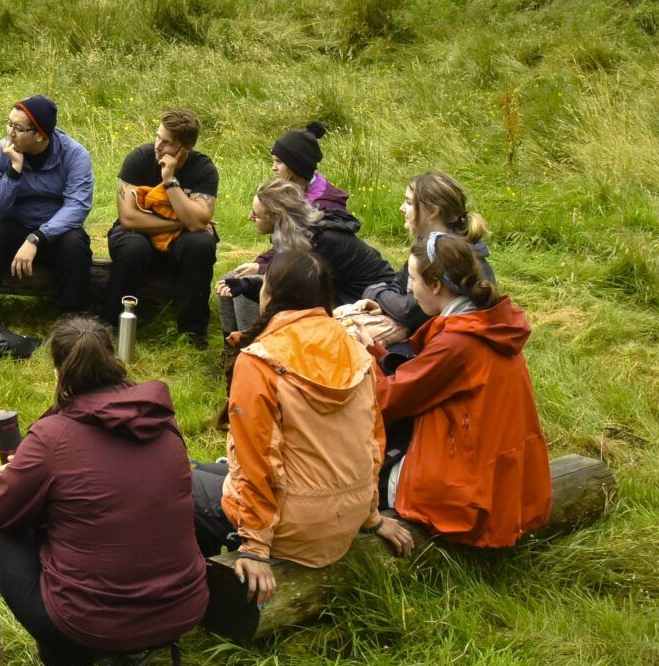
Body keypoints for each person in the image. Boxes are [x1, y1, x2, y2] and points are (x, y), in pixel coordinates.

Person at [0, 318, 208, 666]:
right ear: (114, 361)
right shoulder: (162, 420)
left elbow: (2, 515)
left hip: (88, 624)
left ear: (59, 372)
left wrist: (9, 479)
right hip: (183, 607)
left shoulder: (52, 437)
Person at [195, 250, 412, 612]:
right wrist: (371, 517)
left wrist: (255, 547)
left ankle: (203, 602)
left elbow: (256, 461)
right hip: (348, 514)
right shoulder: (354, 348)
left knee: (182, 486)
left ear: (272, 294)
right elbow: (373, 442)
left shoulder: (260, 361)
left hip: (295, 527)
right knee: (206, 472)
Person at [374, 232, 551, 549]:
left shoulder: (458, 342)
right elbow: (427, 377)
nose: (409, 289)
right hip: (501, 476)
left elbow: (387, 400)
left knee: (368, 465)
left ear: (437, 285)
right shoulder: (489, 322)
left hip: (469, 492)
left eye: (413, 279)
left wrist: (358, 365)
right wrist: (379, 355)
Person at [0, 94, 96, 325]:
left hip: (54, 231)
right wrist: (14, 171)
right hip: (13, 227)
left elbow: (77, 206)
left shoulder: (75, 155)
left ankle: (70, 319)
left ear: (40, 135)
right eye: (9, 123)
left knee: (75, 243)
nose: (10, 132)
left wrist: (37, 237)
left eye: (18, 127)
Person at [102, 108, 221, 348]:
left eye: (167, 143)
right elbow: (130, 219)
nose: (158, 145)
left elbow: (198, 224)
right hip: (138, 235)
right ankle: (113, 324)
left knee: (201, 243)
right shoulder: (140, 158)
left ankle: (193, 331)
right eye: (158, 136)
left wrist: (170, 181)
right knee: (133, 247)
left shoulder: (203, 169)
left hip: (179, 243)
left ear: (184, 148)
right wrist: (179, 222)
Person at [348, 172, 493, 342]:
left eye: (409, 202)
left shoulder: (449, 257)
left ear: (432, 212)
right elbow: (398, 285)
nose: (401, 208)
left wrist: (374, 292)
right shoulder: (428, 245)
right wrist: (384, 301)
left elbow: (409, 311)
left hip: (449, 342)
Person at [217, 180, 314, 341]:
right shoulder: (287, 229)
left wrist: (260, 272)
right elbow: (278, 254)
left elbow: (298, 272)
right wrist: (259, 265)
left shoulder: (311, 236)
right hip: (302, 281)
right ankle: (231, 345)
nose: (250, 217)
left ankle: (251, 343)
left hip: (340, 296)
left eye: (255, 214)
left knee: (244, 289)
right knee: (227, 280)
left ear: (275, 216)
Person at [270, 121, 352, 217]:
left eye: (279, 161)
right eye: (273, 161)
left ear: (297, 166)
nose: (273, 168)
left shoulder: (326, 209)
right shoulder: (291, 191)